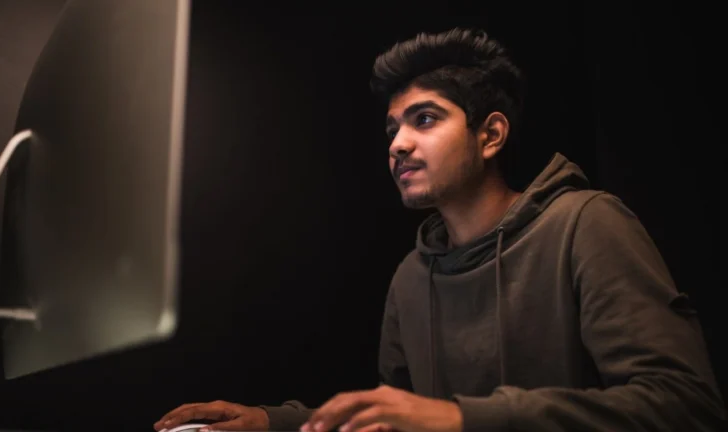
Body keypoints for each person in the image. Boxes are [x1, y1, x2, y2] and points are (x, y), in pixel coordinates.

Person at [154, 27, 727, 432]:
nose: (398, 144)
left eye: (424, 119)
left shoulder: (585, 224)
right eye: (392, 130)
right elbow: (396, 421)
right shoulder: (412, 276)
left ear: (490, 135)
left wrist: (460, 418)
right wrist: (272, 423)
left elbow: (685, 406)